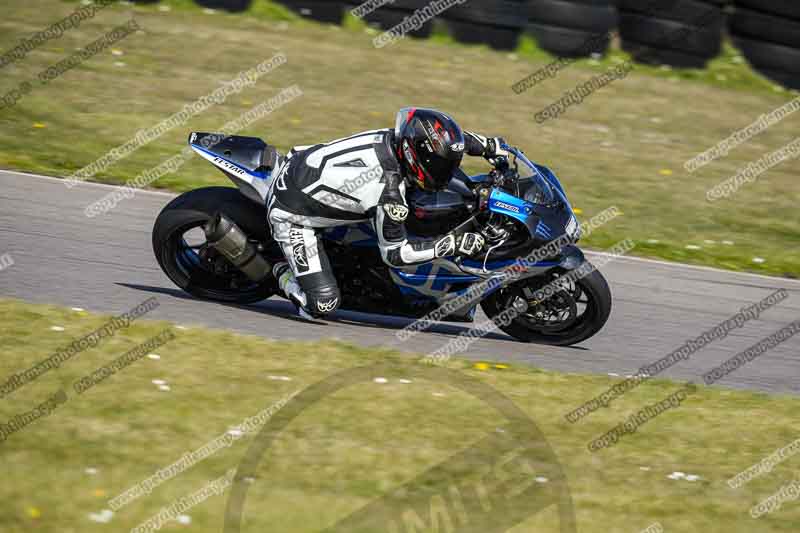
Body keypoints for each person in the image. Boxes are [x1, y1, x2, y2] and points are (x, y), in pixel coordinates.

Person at [266, 107, 509, 319]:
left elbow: (446, 140)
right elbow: (395, 254)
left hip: (302, 164)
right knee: (321, 304)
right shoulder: (388, 193)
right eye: (440, 165)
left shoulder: (401, 137)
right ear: (417, 158)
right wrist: (452, 245)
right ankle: (275, 271)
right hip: (292, 213)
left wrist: (487, 146)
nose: (446, 172)